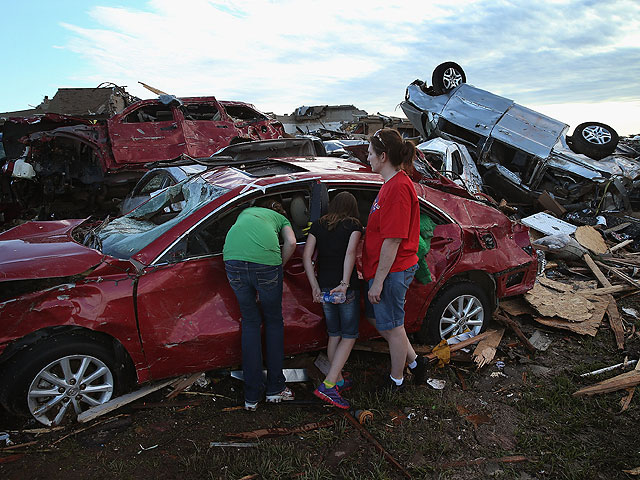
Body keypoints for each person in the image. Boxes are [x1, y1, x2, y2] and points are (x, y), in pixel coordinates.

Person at [363, 128, 427, 392]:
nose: (367, 158)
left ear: (383, 155)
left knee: (394, 326)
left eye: (369, 153)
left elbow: (393, 240)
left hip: (393, 270)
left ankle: (396, 380)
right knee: (382, 321)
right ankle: (415, 363)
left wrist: (378, 282)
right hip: (384, 269)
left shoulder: (399, 188)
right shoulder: (390, 184)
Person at [223, 197, 297, 410]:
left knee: (250, 322)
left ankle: (251, 396)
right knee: (273, 321)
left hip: (232, 261)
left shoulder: (245, 212)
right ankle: (275, 388)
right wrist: (278, 267)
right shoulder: (280, 219)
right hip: (266, 263)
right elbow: (292, 243)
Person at [303, 192, 363, 409]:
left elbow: (307, 257)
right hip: (344, 288)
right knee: (349, 335)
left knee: (334, 334)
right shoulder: (354, 226)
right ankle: (329, 385)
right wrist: (345, 283)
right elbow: (350, 254)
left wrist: (314, 286)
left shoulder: (318, 225)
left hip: (325, 286)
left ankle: (336, 379)